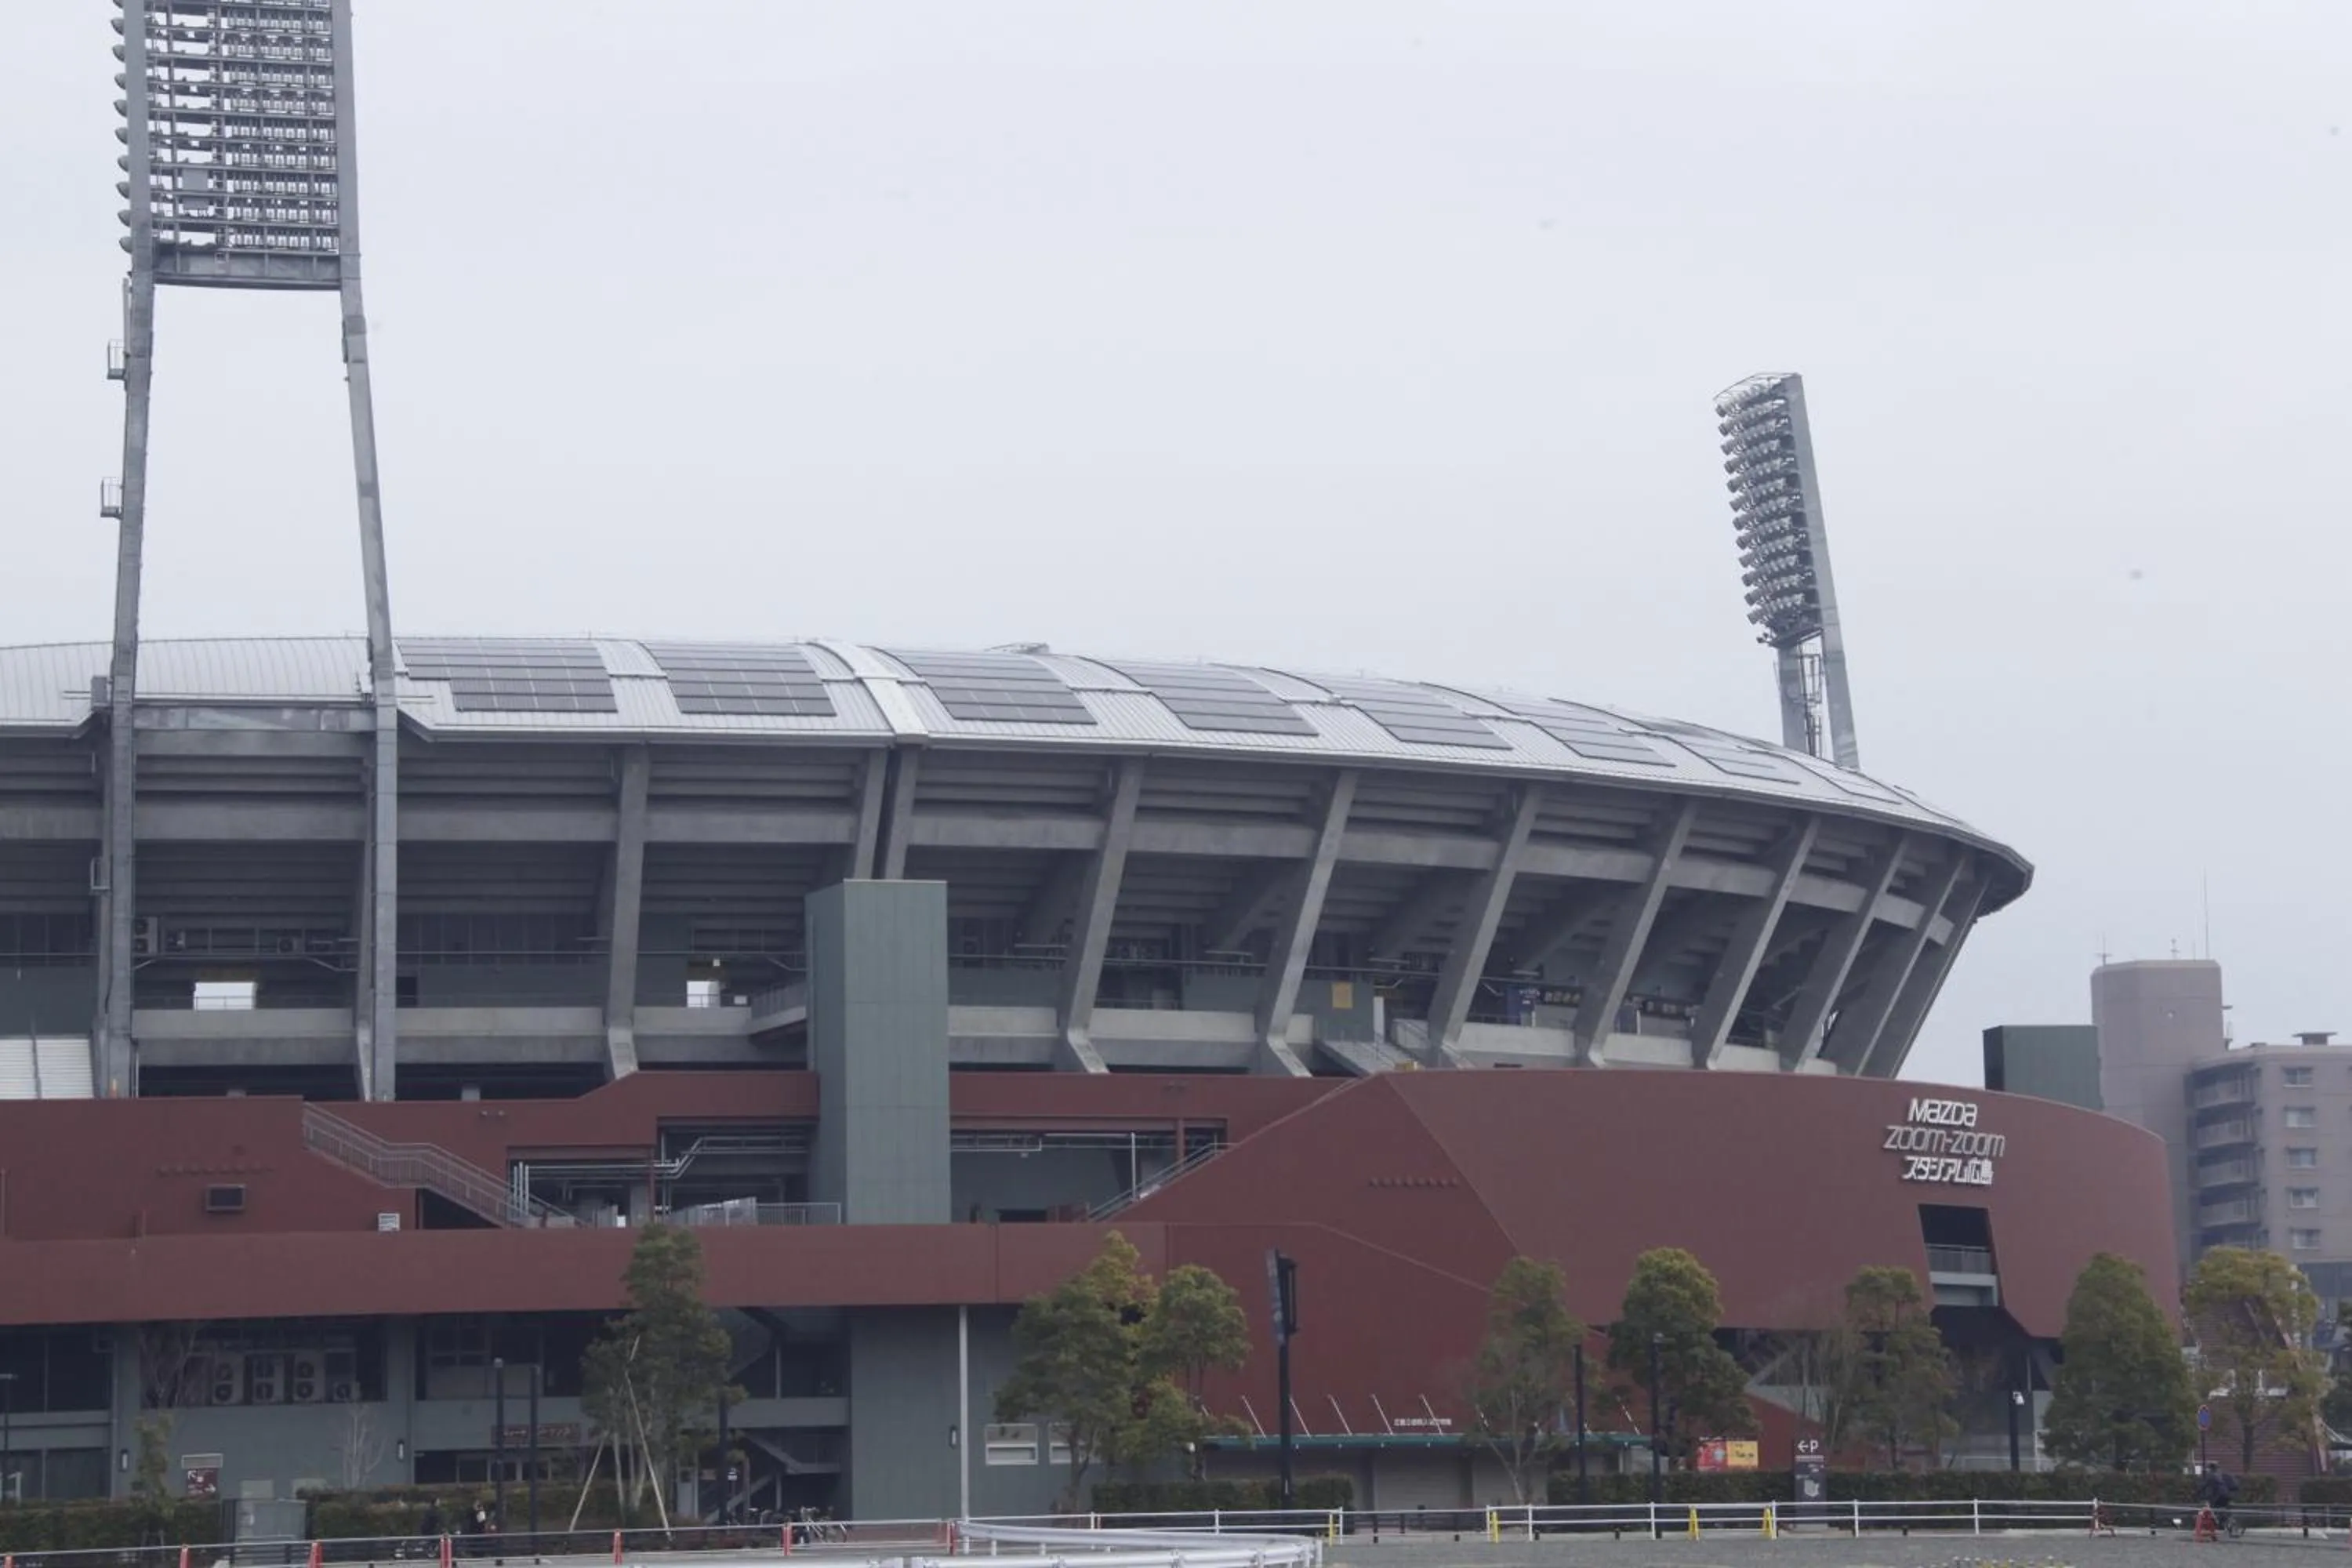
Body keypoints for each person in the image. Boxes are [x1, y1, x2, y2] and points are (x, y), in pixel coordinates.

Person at [2201, 1465, 2239, 1534]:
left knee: (2214, 1508)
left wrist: (2199, 1493)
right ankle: (2227, 1521)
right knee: (2223, 1508)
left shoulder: (2211, 1476)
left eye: (2208, 1469)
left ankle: (2222, 1522)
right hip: (2227, 1495)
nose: (2207, 1471)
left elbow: (2204, 1486)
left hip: (2219, 1496)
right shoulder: (2221, 1475)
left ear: (2211, 1469)